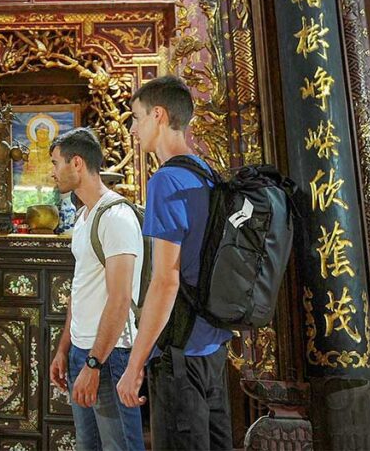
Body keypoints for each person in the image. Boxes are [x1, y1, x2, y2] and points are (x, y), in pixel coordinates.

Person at [116, 76, 234, 451]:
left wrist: (134, 367)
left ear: (159, 115)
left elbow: (166, 281)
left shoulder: (166, 181)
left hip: (179, 354)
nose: (133, 128)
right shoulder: (207, 174)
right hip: (213, 348)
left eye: (136, 117)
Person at [47, 127, 146, 451]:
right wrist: (65, 348)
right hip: (82, 352)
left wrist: (94, 364)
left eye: (55, 163)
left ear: (77, 163)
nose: (52, 172)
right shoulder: (83, 217)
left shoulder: (116, 216)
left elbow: (119, 299)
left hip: (109, 355)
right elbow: (81, 289)